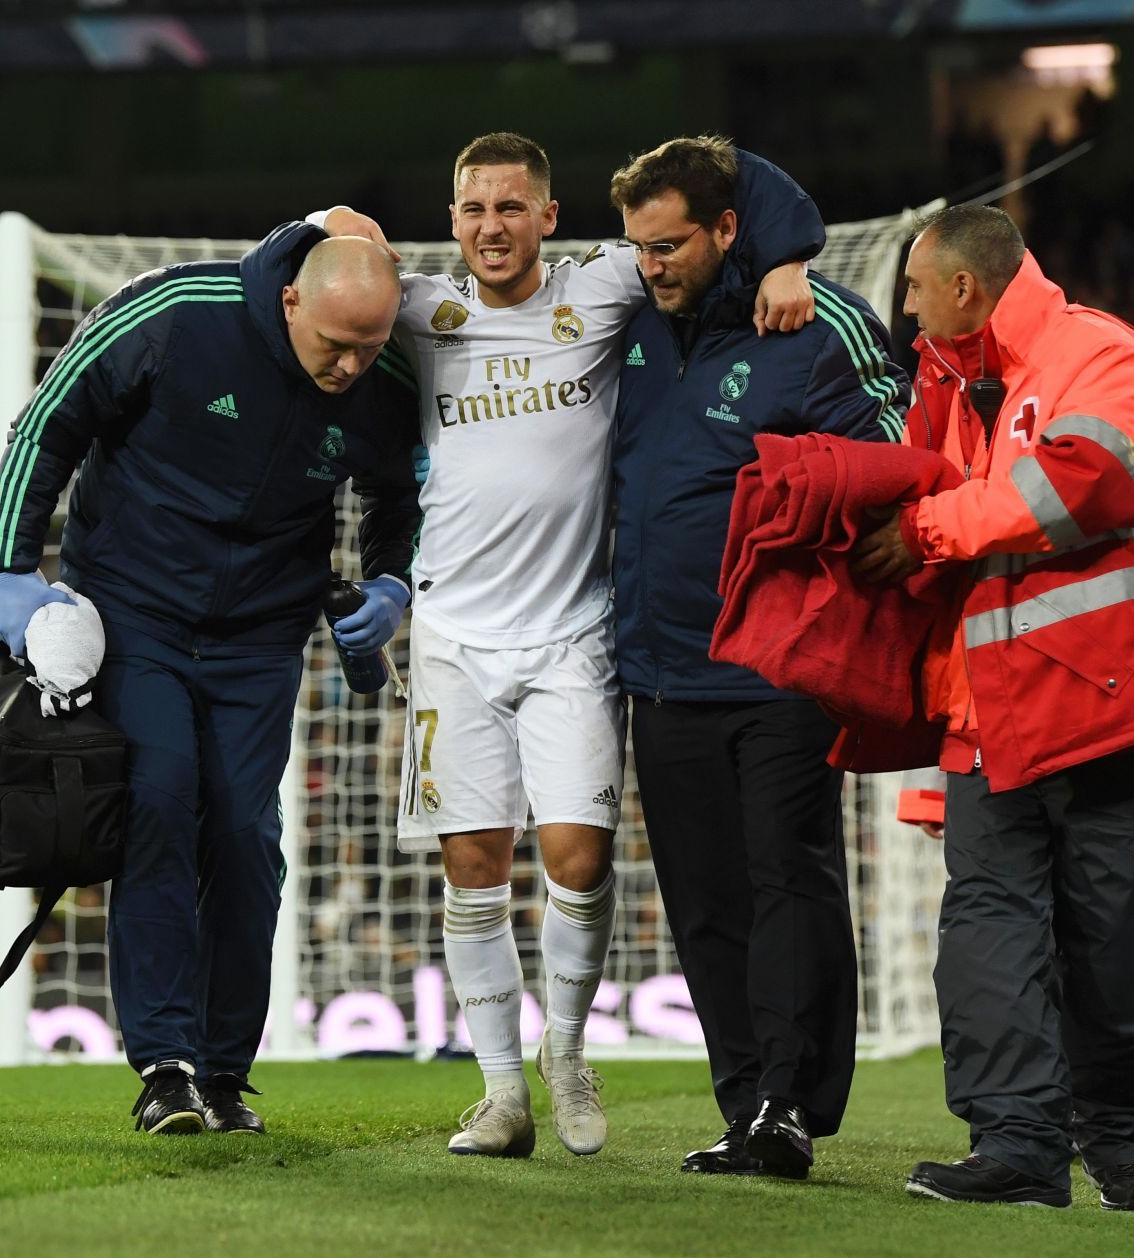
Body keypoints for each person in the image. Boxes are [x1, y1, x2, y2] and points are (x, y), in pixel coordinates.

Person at [312, 133, 819, 1160]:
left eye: (510, 208)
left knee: (579, 860)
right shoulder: (416, 309)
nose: (491, 227)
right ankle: (501, 1094)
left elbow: (725, 186)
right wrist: (342, 231)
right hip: (453, 633)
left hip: (573, 632)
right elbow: (311, 245)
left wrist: (790, 254)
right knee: (473, 866)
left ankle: (569, 1050)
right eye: (472, 209)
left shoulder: (606, 287)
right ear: (450, 219)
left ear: (550, 217)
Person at [0, 228, 421, 1135]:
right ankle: (165, 1066)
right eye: (336, 343)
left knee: (248, 837)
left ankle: (225, 1071)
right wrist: (8, 571)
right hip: (135, 613)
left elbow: (399, 496)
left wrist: (390, 579)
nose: (349, 365)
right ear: (292, 299)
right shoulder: (176, 312)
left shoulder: (387, 376)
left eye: (369, 347)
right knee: (160, 801)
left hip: (261, 635)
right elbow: (50, 416)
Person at [852, 205, 1134, 1214]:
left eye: (916, 292)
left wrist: (930, 526)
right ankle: (1016, 1143)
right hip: (993, 718)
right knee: (989, 934)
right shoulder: (958, 390)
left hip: (1114, 708)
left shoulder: (1098, 352)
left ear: (965, 288)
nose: (909, 312)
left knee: (1122, 948)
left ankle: (1122, 1138)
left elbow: (1086, 482)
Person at [610, 135, 908, 1180]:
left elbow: (896, 447)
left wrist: (794, 253)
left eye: (672, 242)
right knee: (703, 897)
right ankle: (745, 1104)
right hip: (660, 667)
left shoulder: (812, 319)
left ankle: (791, 1099)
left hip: (780, 665)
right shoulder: (633, 321)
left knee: (790, 876)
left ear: (730, 227)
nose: (653, 264)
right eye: (640, 245)